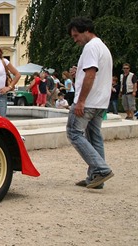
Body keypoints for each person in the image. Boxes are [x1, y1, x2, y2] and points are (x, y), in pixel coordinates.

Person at [66, 17, 114, 189]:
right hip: (101, 101)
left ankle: (101, 169)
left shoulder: (90, 47)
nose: (75, 39)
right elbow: (94, 74)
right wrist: (76, 73)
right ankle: (96, 177)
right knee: (94, 137)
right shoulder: (102, 47)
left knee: (73, 132)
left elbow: (91, 74)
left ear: (86, 30)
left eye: (76, 35)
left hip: (89, 101)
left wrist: (81, 101)